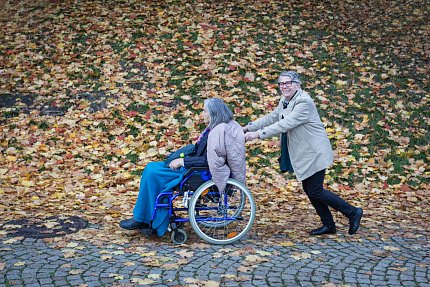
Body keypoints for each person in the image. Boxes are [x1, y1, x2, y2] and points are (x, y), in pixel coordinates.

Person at [243, 71, 363, 236]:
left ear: (297, 84)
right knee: (310, 188)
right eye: (281, 83)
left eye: (288, 83)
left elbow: (285, 124)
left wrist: (257, 134)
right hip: (305, 152)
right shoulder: (286, 100)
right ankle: (329, 225)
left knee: (314, 190)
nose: (284, 86)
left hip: (315, 151)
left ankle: (352, 212)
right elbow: (272, 117)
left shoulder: (304, 102)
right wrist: (249, 127)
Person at [119, 98, 244, 237]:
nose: (202, 114)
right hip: (194, 168)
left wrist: (182, 162)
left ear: (213, 114)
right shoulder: (214, 129)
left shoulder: (217, 132)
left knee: (152, 173)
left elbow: (209, 162)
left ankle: (144, 218)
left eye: (204, 111)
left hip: (196, 172)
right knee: (151, 168)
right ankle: (144, 216)